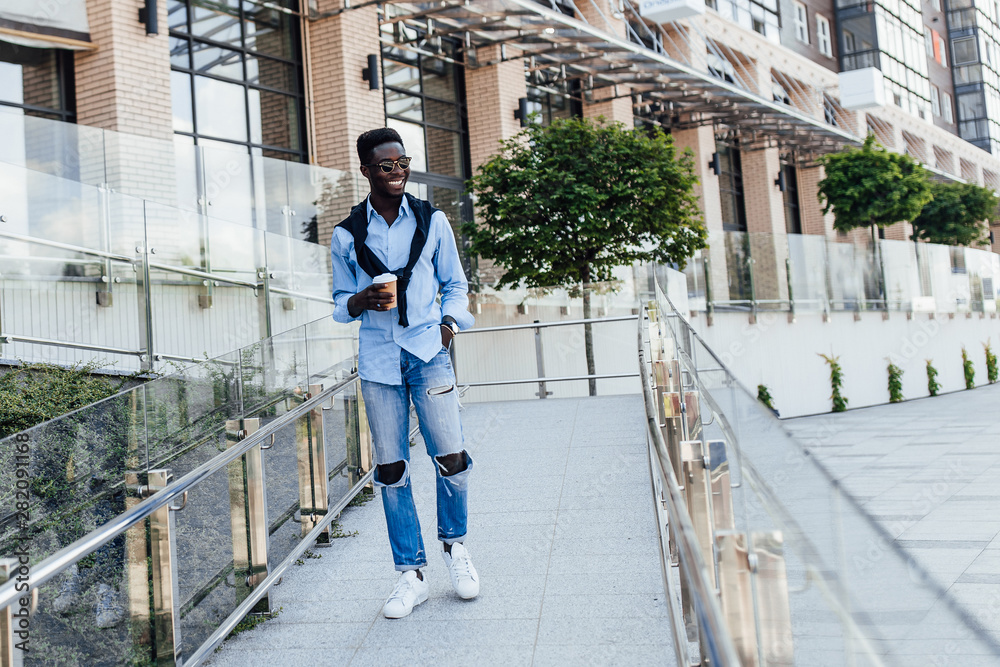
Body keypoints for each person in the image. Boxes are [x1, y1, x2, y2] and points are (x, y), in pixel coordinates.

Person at [330, 127, 479, 619]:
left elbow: (456, 284)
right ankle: (410, 574)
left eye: (402, 162)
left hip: (427, 351)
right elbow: (338, 304)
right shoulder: (347, 233)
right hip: (377, 362)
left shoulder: (432, 220)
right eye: (386, 166)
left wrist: (449, 326)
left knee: (451, 456)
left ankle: (456, 549)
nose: (397, 172)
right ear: (367, 171)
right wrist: (361, 299)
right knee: (392, 470)